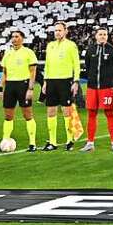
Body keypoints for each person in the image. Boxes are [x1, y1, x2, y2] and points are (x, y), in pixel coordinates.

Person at [42, 21, 80, 152]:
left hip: (65, 81)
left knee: (66, 111)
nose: (57, 32)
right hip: (51, 81)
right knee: (51, 111)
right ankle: (52, 142)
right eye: (55, 30)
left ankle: (69, 140)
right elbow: (47, 64)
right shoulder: (50, 45)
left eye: (59, 30)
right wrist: (45, 81)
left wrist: (76, 81)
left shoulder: (71, 45)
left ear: (65, 31)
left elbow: (76, 64)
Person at [81, 27, 113, 152]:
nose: (103, 36)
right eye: (100, 34)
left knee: (109, 113)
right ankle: (90, 143)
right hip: (92, 87)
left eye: (105, 34)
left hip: (106, 87)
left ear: (107, 36)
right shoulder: (90, 50)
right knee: (91, 114)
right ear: (96, 36)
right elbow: (87, 67)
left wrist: (112, 84)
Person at [0, 30, 38, 152]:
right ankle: (5, 140)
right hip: (10, 85)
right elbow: (4, 73)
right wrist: (0, 89)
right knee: (8, 115)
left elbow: (33, 72)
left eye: (17, 36)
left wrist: (30, 88)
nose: (14, 39)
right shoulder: (8, 54)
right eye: (12, 37)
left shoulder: (28, 53)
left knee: (27, 115)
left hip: (24, 84)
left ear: (22, 39)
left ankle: (32, 143)